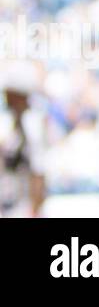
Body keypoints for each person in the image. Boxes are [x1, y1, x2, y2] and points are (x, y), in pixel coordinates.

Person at [0, 62, 46, 218]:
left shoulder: (34, 124)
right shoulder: (5, 122)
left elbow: (38, 173)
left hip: (24, 207)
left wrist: (34, 210)